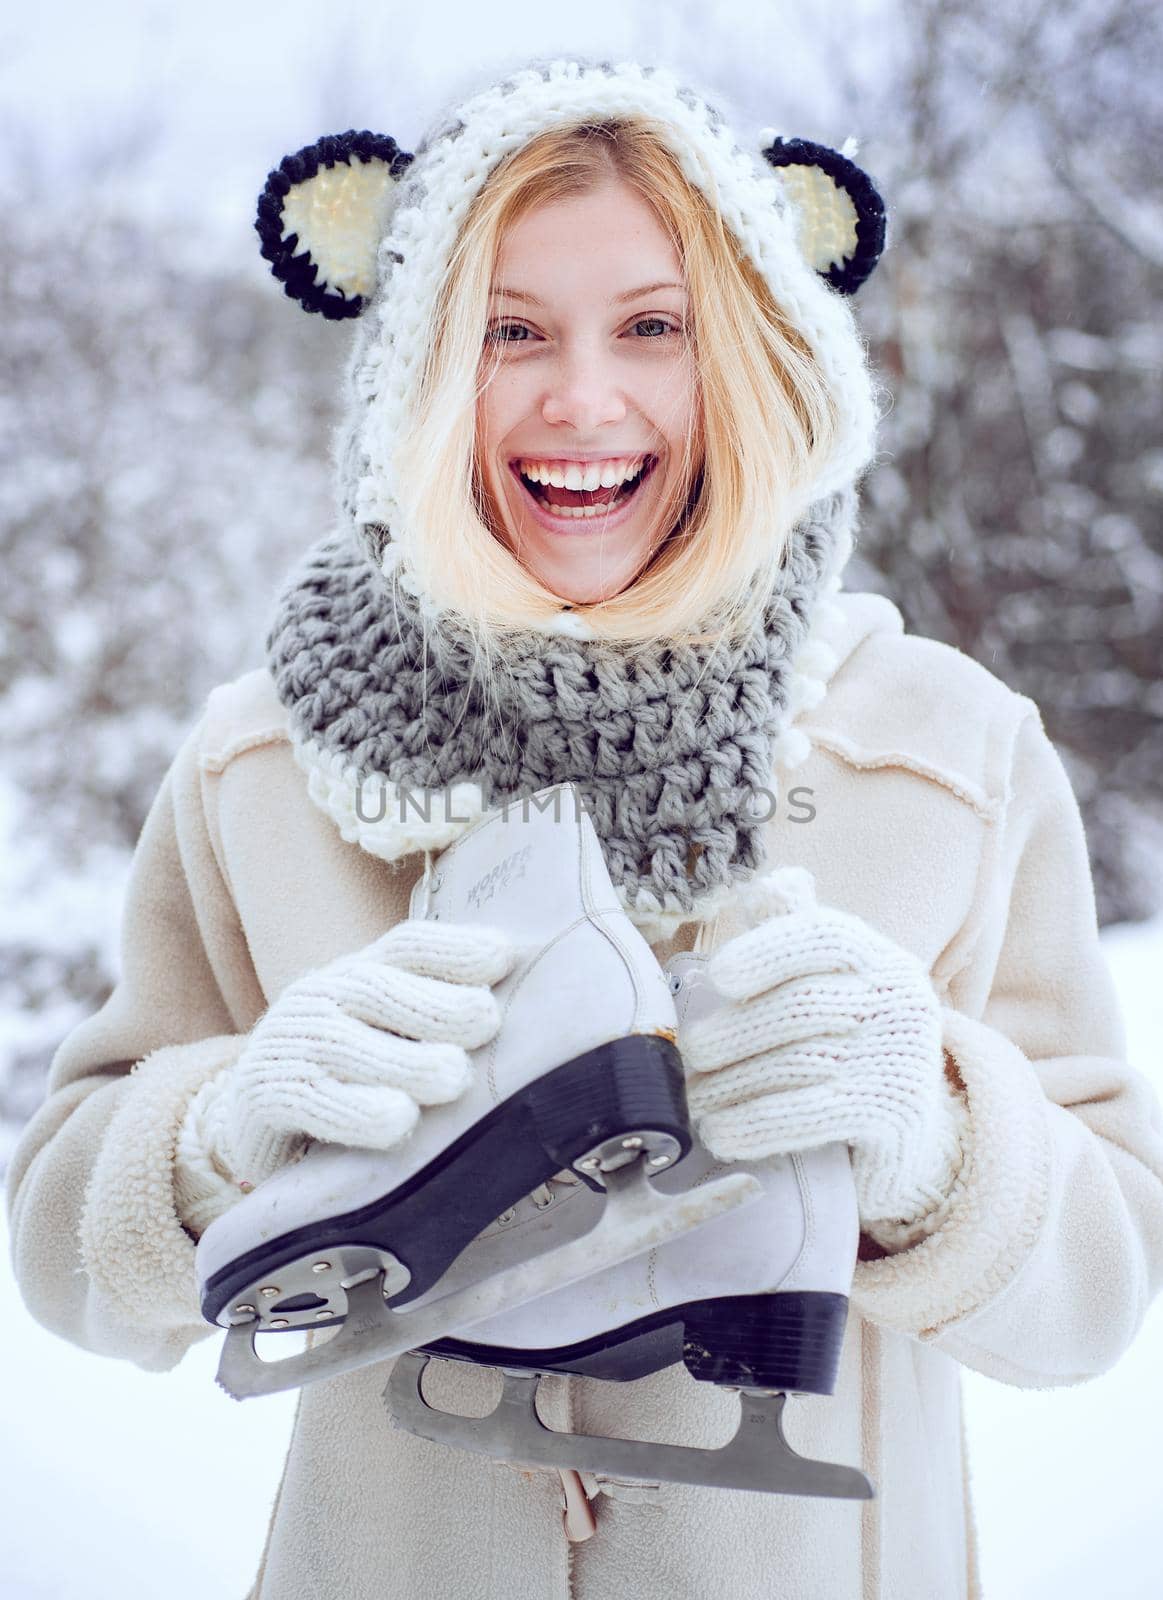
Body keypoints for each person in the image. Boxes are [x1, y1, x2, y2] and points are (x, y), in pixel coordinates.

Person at [7, 55, 1163, 1600]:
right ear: (422, 365)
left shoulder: (942, 752)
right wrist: (220, 1140)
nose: (582, 400)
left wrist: (941, 1139)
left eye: (653, 328)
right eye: (510, 332)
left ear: (747, 356)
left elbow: (1103, 1295)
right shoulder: (262, 767)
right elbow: (63, 1260)